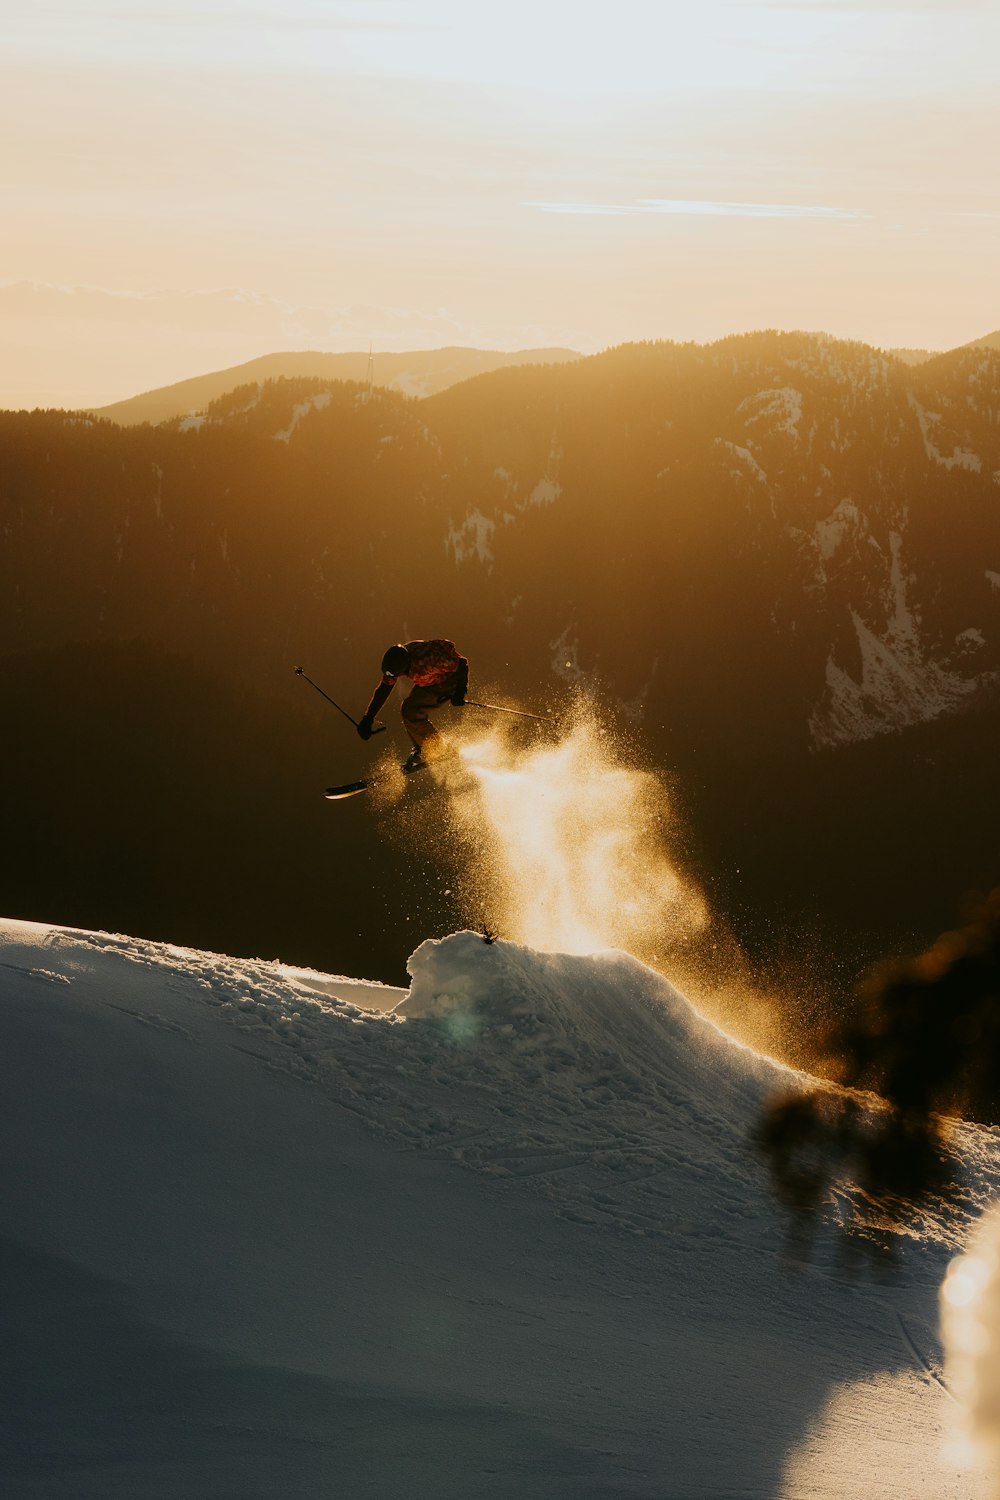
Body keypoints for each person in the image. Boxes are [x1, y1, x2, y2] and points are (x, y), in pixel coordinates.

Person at [358, 639, 469, 769]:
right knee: (408, 710)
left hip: (449, 680)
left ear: (405, 666)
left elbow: (461, 663)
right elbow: (384, 689)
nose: (394, 678)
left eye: (397, 675)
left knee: (411, 711)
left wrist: (461, 690)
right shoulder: (398, 660)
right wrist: (368, 718)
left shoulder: (427, 662)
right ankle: (423, 748)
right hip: (431, 680)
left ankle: (437, 749)